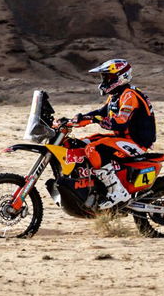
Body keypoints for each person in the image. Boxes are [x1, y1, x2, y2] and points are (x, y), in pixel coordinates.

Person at [66, 58, 156, 208]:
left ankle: (117, 192)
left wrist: (94, 119)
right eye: (104, 77)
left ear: (121, 77)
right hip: (123, 139)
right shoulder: (116, 95)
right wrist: (73, 120)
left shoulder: (129, 95)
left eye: (108, 77)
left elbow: (120, 123)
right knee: (83, 143)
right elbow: (100, 112)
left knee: (93, 149)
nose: (105, 80)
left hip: (137, 142)